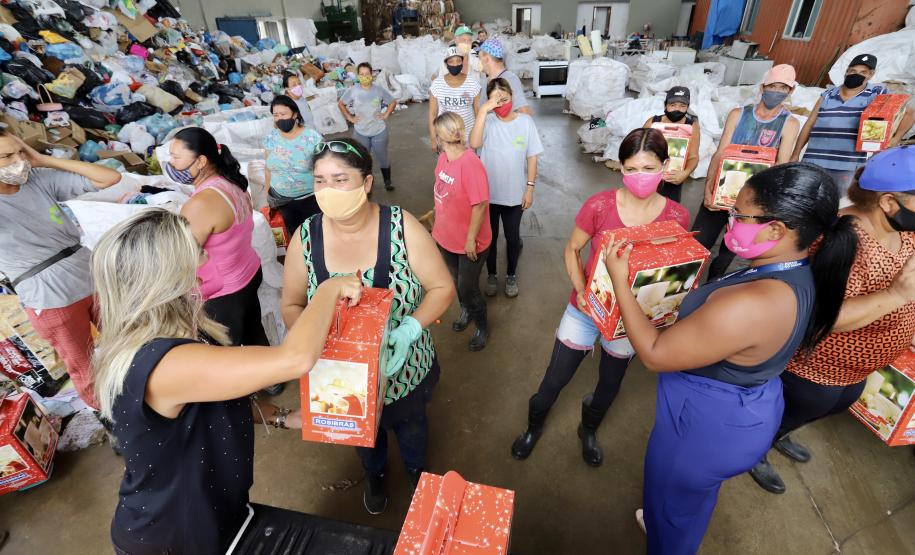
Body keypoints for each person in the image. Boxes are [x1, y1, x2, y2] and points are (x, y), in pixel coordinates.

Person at [603, 163, 857, 554]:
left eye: (740, 215)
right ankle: (669, 521)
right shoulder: (801, 271)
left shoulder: (751, 304)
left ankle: (667, 536)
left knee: (671, 503)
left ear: (776, 230)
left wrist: (620, 281)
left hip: (703, 427)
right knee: (690, 500)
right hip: (747, 408)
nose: (731, 219)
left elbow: (654, 354)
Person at [93, 208, 363, 554]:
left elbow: (216, 398)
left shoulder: (179, 335)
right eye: (198, 251)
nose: (207, 257)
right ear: (168, 275)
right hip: (173, 537)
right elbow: (296, 359)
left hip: (212, 514)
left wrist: (283, 417)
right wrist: (328, 290)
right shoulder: (164, 363)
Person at [281, 138, 455, 515]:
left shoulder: (401, 226)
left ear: (367, 182)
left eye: (340, 179)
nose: (327, 190)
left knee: (411, 429)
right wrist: (320, 347)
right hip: (344, 379)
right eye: (320, 180)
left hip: (404, 370)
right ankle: (374, 475)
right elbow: (292, 303)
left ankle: (415, 474)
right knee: (364, 436)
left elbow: (442, 287)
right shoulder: (306, 237)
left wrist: (409, 329)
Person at [510, 128, 690, 466]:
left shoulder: (677, 217)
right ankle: (533, 427)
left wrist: (667, 308)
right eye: (631, 168)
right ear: (621, 168)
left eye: (649, 168)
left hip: (630, 321)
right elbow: (572, 249)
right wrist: (580, 292)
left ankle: (588, 429)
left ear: (665, 167)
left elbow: (671, 272)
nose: (640, 177)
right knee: (554, 379)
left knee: (609, 385)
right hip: (587, 309)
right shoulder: (600, 205)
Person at [750, 147, 915, 494]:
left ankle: (778, 436)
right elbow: (825, 315)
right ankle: (754, 452)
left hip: (855, 370)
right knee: (788, 411)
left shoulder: (905, 233)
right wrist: (895, 297)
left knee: (829, 407)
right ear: (888, 202)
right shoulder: (844, 238)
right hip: (816, 368)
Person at [0, 130, 121, 409]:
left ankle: (155, 393)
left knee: (130, 339)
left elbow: (109, 178)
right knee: (84, 364)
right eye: (6, 156)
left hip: (89, 272)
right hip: (49, 295)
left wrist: (43, 160)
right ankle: (111, 417)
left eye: (20, 152)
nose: (18, 161)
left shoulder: (38, 179)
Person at [170, 128, 280, 394]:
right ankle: (272, 381)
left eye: (175, 157)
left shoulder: (201, 203)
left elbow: (185, 256)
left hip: (223, 291)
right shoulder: (230, 183)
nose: (171, 164)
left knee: (224, 351)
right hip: (248, 272)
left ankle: (242, 396)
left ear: (201, 161)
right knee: (253, 328)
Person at [692, 64, 801, 281]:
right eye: (772, 86)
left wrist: (769, 207)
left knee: (728, 251)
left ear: (790, 91)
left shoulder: (789, 123)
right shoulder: (738, 114)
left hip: (751, 203)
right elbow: (720, 152)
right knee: (698, 243)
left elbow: (781, 166)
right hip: (721, 193)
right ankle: (681, 289)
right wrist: (708, 188)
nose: (777, 91)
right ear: (762, 87)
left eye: (783, 88)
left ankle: (710, 289)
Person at [793, 54, 915, 197]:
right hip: (813, 162)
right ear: (846, 72)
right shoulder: (827, 95)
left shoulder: (877, 95)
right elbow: (809, 125)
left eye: (863, 72)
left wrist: (895, 139)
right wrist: (796, 154)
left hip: (847, 167)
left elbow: (909, 113)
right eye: (853, 71)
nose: (856, 75)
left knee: (836, 208)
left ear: (871, 75)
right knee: (804, 203)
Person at [469, 78, 543, 299]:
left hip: (514, 195)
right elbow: (474, 143)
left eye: (505, 99)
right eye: (496, 100)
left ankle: (511, 274)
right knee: (489, 239)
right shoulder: (488, 121)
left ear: (512, 96)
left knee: (512, 238)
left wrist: (529, 188)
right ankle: (491, 275)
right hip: (488, 196)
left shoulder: (525, 122)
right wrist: (484, 110)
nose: (502, 104)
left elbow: (532, 157)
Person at [431, 112, 492, 351]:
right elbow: (440, 189)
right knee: (456, 282)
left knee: (469, 287)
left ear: (441, 136)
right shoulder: (443, 159)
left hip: (469, 242)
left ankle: (482, 325)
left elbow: (479, 205)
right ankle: (466, 309)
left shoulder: (470, 164)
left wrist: (470, 240)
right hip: (445, 235)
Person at [264, 95, 324, 236]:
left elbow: (324, 169)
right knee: (296, 236)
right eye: (275, 115)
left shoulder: (312, 138)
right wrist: (267, 194)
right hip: (283, 201)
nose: (279, 118)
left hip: (311, 200)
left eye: (283, 114)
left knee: (318, 235)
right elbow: (267, 169)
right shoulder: (271, 138)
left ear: (295, 114)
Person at [339, 62, 397, 191]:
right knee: (363, 160)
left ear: (372, 75)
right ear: (358, 76)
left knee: (382, 157)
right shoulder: (353, 90)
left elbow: (392, 102)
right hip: (360, 132)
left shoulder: (378, 90)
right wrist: (350, 117)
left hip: (379, 131)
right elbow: (341, 103)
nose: (364, 76)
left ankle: (388, 182)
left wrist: (386, 114)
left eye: (367, 74)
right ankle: (366, 184)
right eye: (361, 74)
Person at [642, 86, 701, 202]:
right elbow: (639, 148)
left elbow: (693, 156)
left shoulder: (692, 126)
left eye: (682, 106)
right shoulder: (653, 123)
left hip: (673, 178)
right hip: (649, 175)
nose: (677, 109)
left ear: (687, 107)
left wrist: (685, 173)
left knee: (668, 212)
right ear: (665, 105)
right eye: (673, 105)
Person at [429, 46, 482, 149]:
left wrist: (478, 135)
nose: (455, 64)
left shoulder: (472, 83)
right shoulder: (437, 84)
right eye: (451, 61)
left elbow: (477, 111)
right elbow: (432, 114)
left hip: (468, 137)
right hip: (445, 137)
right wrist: (433, 138)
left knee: (468, 164)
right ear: (446, 64)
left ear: (462, 62)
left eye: (458, 61)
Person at [478, 38, 532, 116]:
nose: (478, 61)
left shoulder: (509, 79)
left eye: (479, 58)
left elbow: (525, 112)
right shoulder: (485, 81)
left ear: (486, 58)